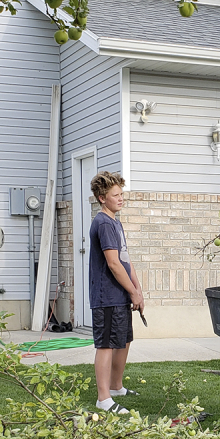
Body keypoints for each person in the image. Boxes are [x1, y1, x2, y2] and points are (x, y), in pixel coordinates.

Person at [88, 171, 144, 414]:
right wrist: (132, 292)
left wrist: (137, 290)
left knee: (123, 340)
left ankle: (116, 386)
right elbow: (113, 263)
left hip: (120, 294)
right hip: (106, 296)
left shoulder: (115, 222)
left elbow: (125, 260)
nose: (121, 198)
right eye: (115, 195)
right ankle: (103, 399)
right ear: (102, 198)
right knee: (106, 345)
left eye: (121, 194)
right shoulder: (102, 223)